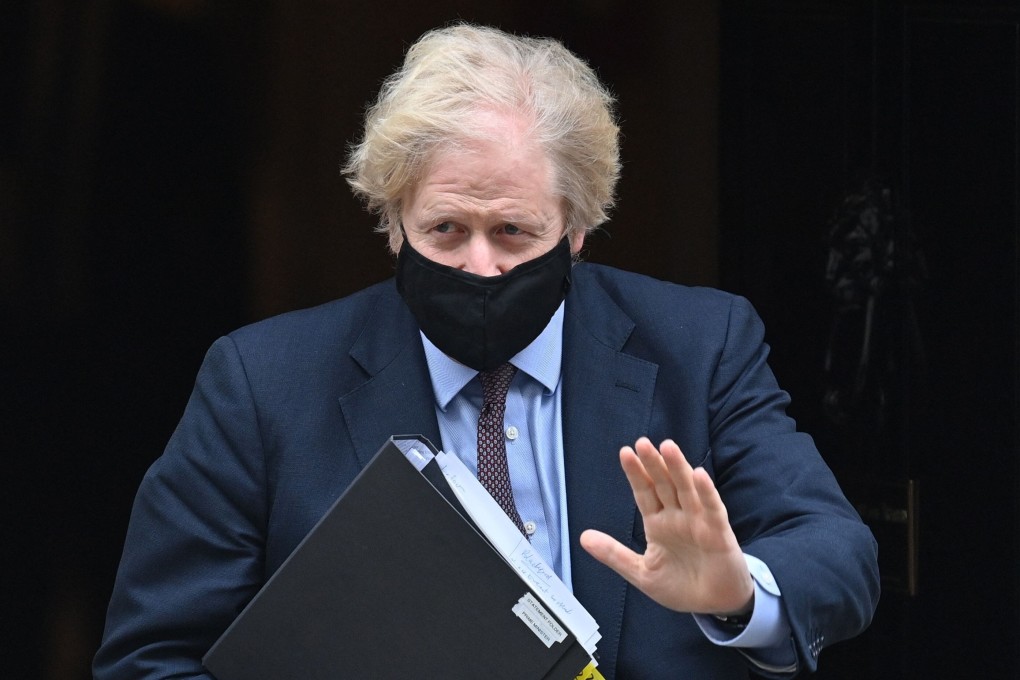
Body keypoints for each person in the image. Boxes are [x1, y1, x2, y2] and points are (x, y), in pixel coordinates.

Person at [94, 23, 879, 679]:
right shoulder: (262, 384)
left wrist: (738, 592)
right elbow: (152, 656)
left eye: (513, 231)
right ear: (394, 224)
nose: (479, 266)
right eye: (444, 230)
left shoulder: (700, 345)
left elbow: (838, 553)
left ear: (576, 230)